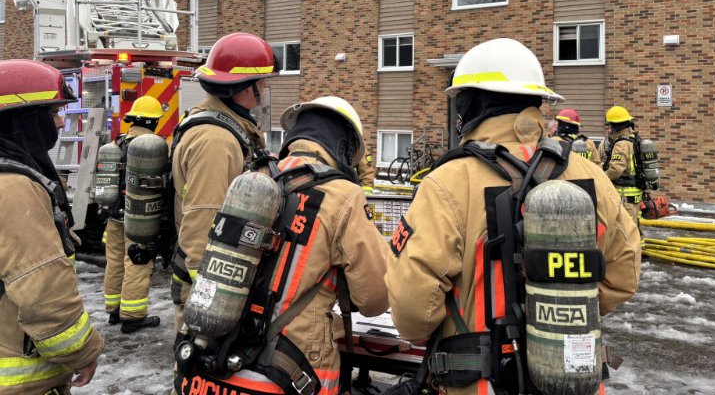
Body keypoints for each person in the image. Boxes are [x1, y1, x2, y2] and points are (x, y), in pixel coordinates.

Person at [385, 38, 640, 395]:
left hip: (478, 383)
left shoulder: (447, 181)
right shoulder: (589, 174)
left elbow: (413, 310)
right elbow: (624, 273)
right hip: (571, 378)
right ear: (536, 102)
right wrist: (562, 316)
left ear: (470, 103)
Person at [179, 96, 390, 395]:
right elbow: (375, 299)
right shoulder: (344, 196)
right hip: (289, 371)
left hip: (214, 365)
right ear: (345, 147)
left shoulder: (253, 178)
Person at [0, 59, 104, 393]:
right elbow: (41, 288)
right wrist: (81, 351)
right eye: (52, 112)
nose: (60, 122)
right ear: (20, 121)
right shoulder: (14, 187)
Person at [171, 32, 277, 332]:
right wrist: (213, 297)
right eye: (263, 81)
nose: (265, 88)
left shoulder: (231, 129)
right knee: (202, 373)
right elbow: (203, 219)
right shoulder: (216, 140)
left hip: (220, 280)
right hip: (210, 292)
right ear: (247, 88)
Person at [102, 95, 163, 334]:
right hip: (138, 217)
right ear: (153, 122)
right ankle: (133, 316)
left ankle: (113, 311)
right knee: (137, 261)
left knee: (115, 262)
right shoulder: (152, 147)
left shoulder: (117, 144)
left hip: (113, 215)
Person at [603, 105, 643, 226]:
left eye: (610, 125)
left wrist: (602, 177)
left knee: (625, 231)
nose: (609, 129)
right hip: (635, 194)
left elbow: (615, 170)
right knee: (634, 228)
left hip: (624, 195)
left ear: (616, 126)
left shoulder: (621, 144)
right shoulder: (634, 139)